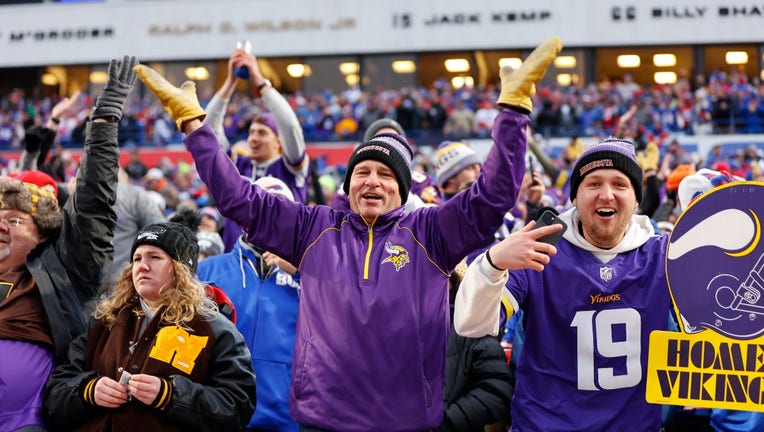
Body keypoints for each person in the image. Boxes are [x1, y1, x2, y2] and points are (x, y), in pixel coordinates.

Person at [134, 36, 562, 430]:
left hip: (408, 424)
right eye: (362, 172)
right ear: (349, 183)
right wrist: (194, 126)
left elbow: (493, 197)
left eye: (385, 174)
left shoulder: (431, 232)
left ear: (402, 189)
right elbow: (237, 198)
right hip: (321, 421)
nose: (372, 181)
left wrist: (513, 113)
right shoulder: (313, 228)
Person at [454, 137, 673, 430]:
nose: (606, 194)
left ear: (636, 200)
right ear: (574, 197)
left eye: (620, 184)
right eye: (593, 184)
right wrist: (492, 265)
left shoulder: (665, 255)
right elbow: (473, 325)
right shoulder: (539, 249)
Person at [0, 56, 133, 431]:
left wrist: (103, 121)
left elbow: (92, 204)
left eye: (15, 220)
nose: (2, 227)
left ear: (43, 232)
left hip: (27, 421)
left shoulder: (62, 271)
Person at [43, 210, 256, 431]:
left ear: (181, 269)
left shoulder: (213, 328)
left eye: (155, 257)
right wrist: (88, 391)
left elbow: (237, 407)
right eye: (137, 259)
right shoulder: (105, 319)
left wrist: (170, 395)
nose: (142, 266)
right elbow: (55, 394)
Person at [197, 176, 300, 432]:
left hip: (286, 417)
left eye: (279, 210)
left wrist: (304, 272)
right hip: (219, 412)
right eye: (261, 208)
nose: (269, 217)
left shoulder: (310, 276)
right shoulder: (208, 270)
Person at [204, 45, 310, 251]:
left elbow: (289, 126)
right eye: (251, 132)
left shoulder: (290, 168)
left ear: (279, 141)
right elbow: (209, 131)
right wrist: (230, 82)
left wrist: (260, 81)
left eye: (262, 133)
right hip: (237, 261)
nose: (253, 139)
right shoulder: (238, 166)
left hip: (280, 261)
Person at [435, 261, 514, 432]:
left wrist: (446, 422)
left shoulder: (472, 328)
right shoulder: (394, 326)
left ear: (452, 283)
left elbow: (498, 390)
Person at [109, 168, 167, 285]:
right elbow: (161, 232)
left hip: (87, 284)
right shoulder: (134, 195)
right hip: (124, 281)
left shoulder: (78, 195)